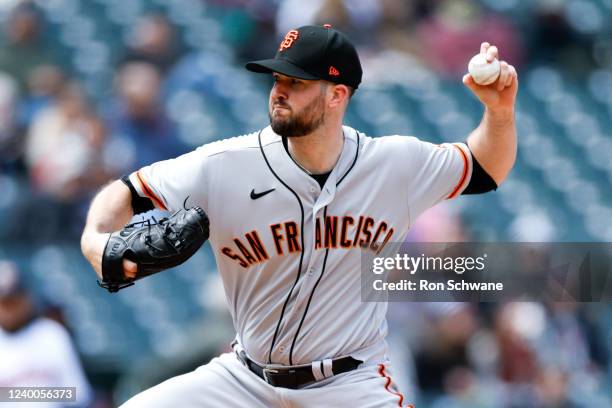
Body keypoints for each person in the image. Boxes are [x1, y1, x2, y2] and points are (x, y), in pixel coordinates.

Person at [81, 25, 517, 407]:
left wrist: (498, 112)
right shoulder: (225, 164)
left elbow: (485, 167)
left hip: (350, 384)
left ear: (337, 95)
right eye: (277, 79)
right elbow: (124, 194)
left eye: (297, 81)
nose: (279, 91)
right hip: (245, 379)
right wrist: (98, 243)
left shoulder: (393, 164)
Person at [0, 261, 93, 407]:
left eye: (14, 301)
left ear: (26, 298)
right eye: (5, 303)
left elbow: (79, 394)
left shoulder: (51, 334)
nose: (9, 310)